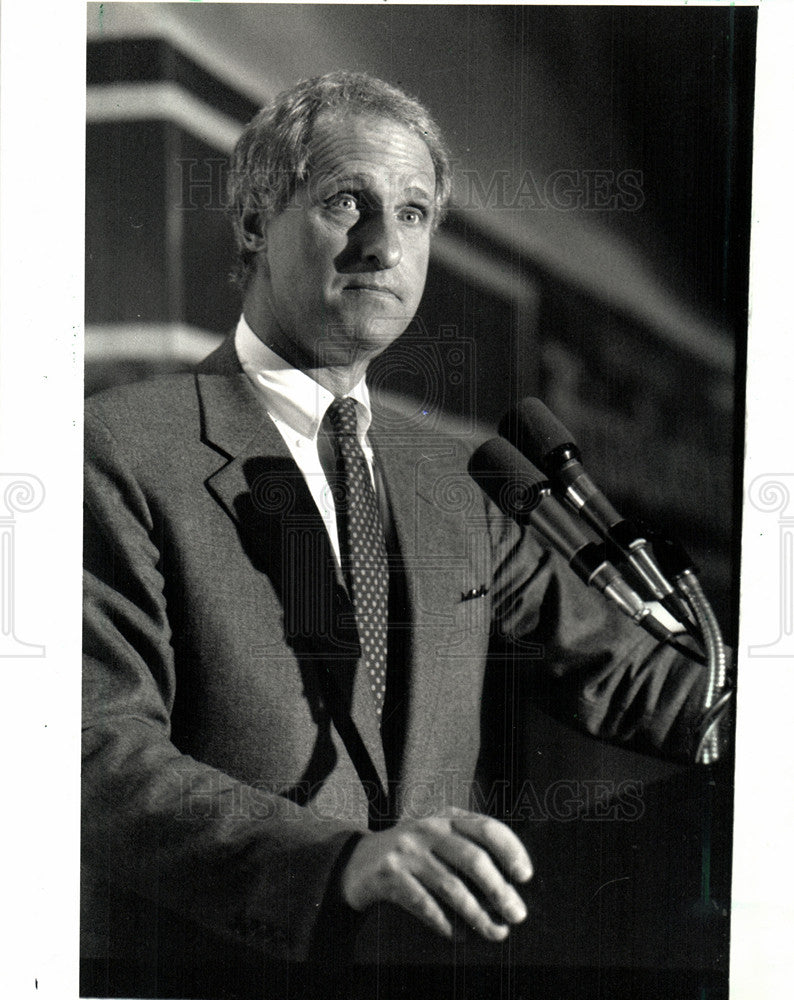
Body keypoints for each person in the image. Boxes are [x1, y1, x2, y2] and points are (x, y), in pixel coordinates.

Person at [82, 72, 719, 998]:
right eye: (348, 203)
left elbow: (628, 674)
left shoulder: (454, 476)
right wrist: (335, 863)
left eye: (414, 214)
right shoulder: (123, 447)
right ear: (256, 222)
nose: (384, 246)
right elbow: (94, 749)